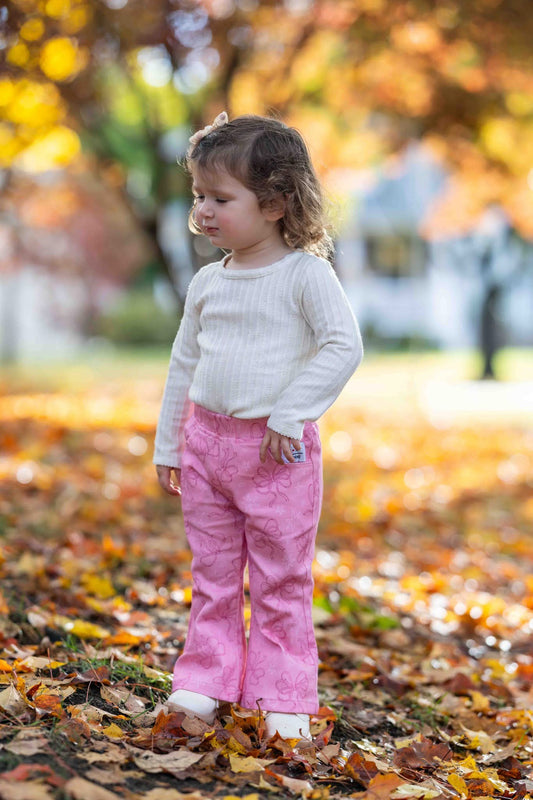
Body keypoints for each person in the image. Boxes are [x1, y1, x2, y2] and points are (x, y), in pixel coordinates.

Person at [153, 111, 363, 740]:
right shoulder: (206, 283)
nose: (204, 211)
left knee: (281, 577)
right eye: (198, 196)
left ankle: (284, 696)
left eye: (220, 198)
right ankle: (204, 682)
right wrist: (169, 442)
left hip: (278, 456)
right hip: (207, 448)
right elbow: (183, 364)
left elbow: (341, 346)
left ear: (274, 203)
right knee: (212, 574)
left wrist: (292, 412)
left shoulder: (305, 274)